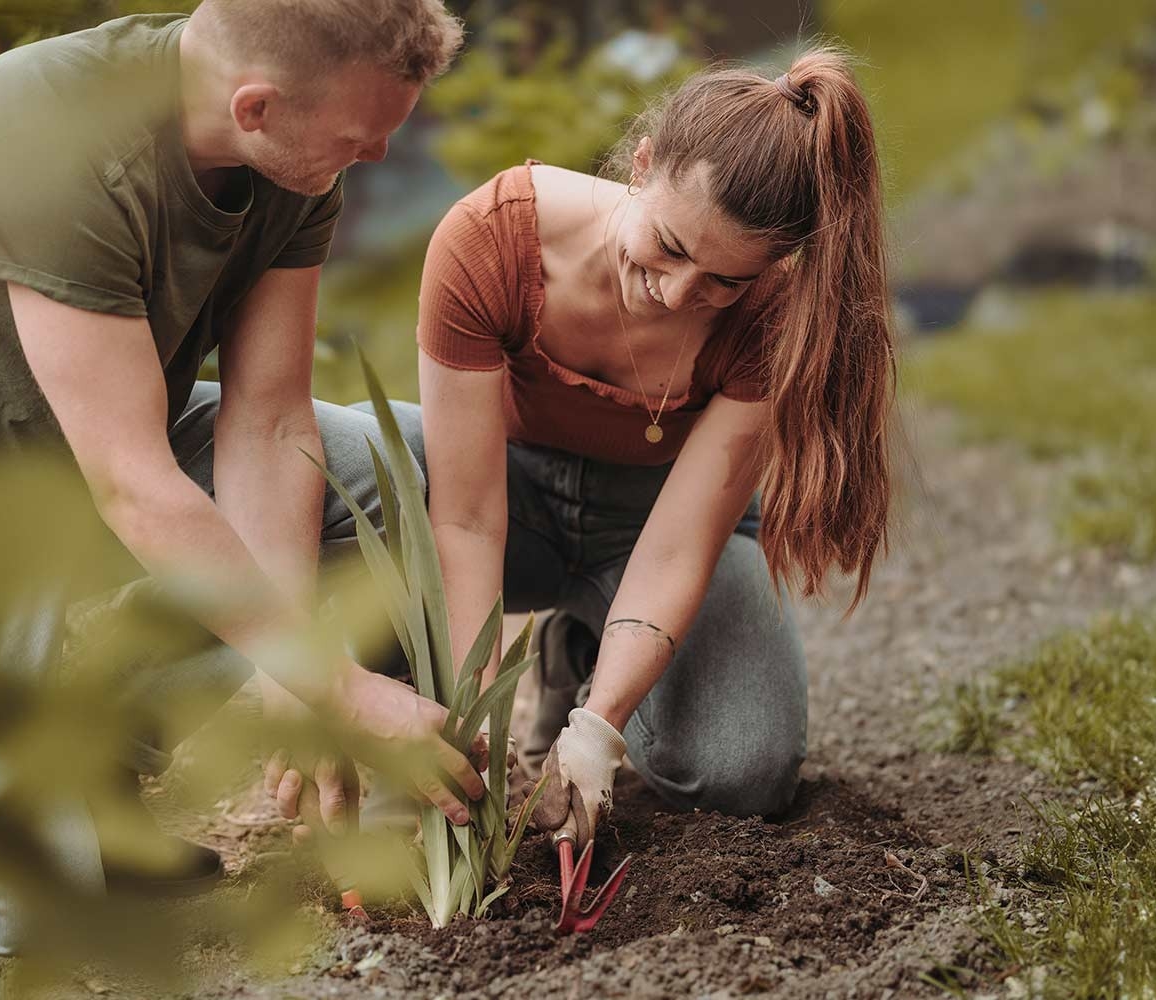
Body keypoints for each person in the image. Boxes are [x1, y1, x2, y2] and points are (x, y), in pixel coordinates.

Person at [0, 1, 475, 956]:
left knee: (385, 469)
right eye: (359, 137)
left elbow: (269, 421)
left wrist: (301, 676)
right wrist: (337, 682)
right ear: (254, 107)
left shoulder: (295, 153)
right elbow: (133, 480)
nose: (379, 154)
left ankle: (84, 755)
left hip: (83, 472)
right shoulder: (51, 127)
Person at [377, 47, 893, 850]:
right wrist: (473, 732)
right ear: (643, 165)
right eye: (674, 247)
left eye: (725, 282)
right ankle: (387, 712)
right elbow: (469, 519)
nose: (683, 294)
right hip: (512, 504)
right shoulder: (491, 240)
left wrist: (598, 727)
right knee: (352, 459)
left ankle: (581, 652)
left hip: (652, 524)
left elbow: (680, 546)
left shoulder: (777, 314)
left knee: (742, 771)